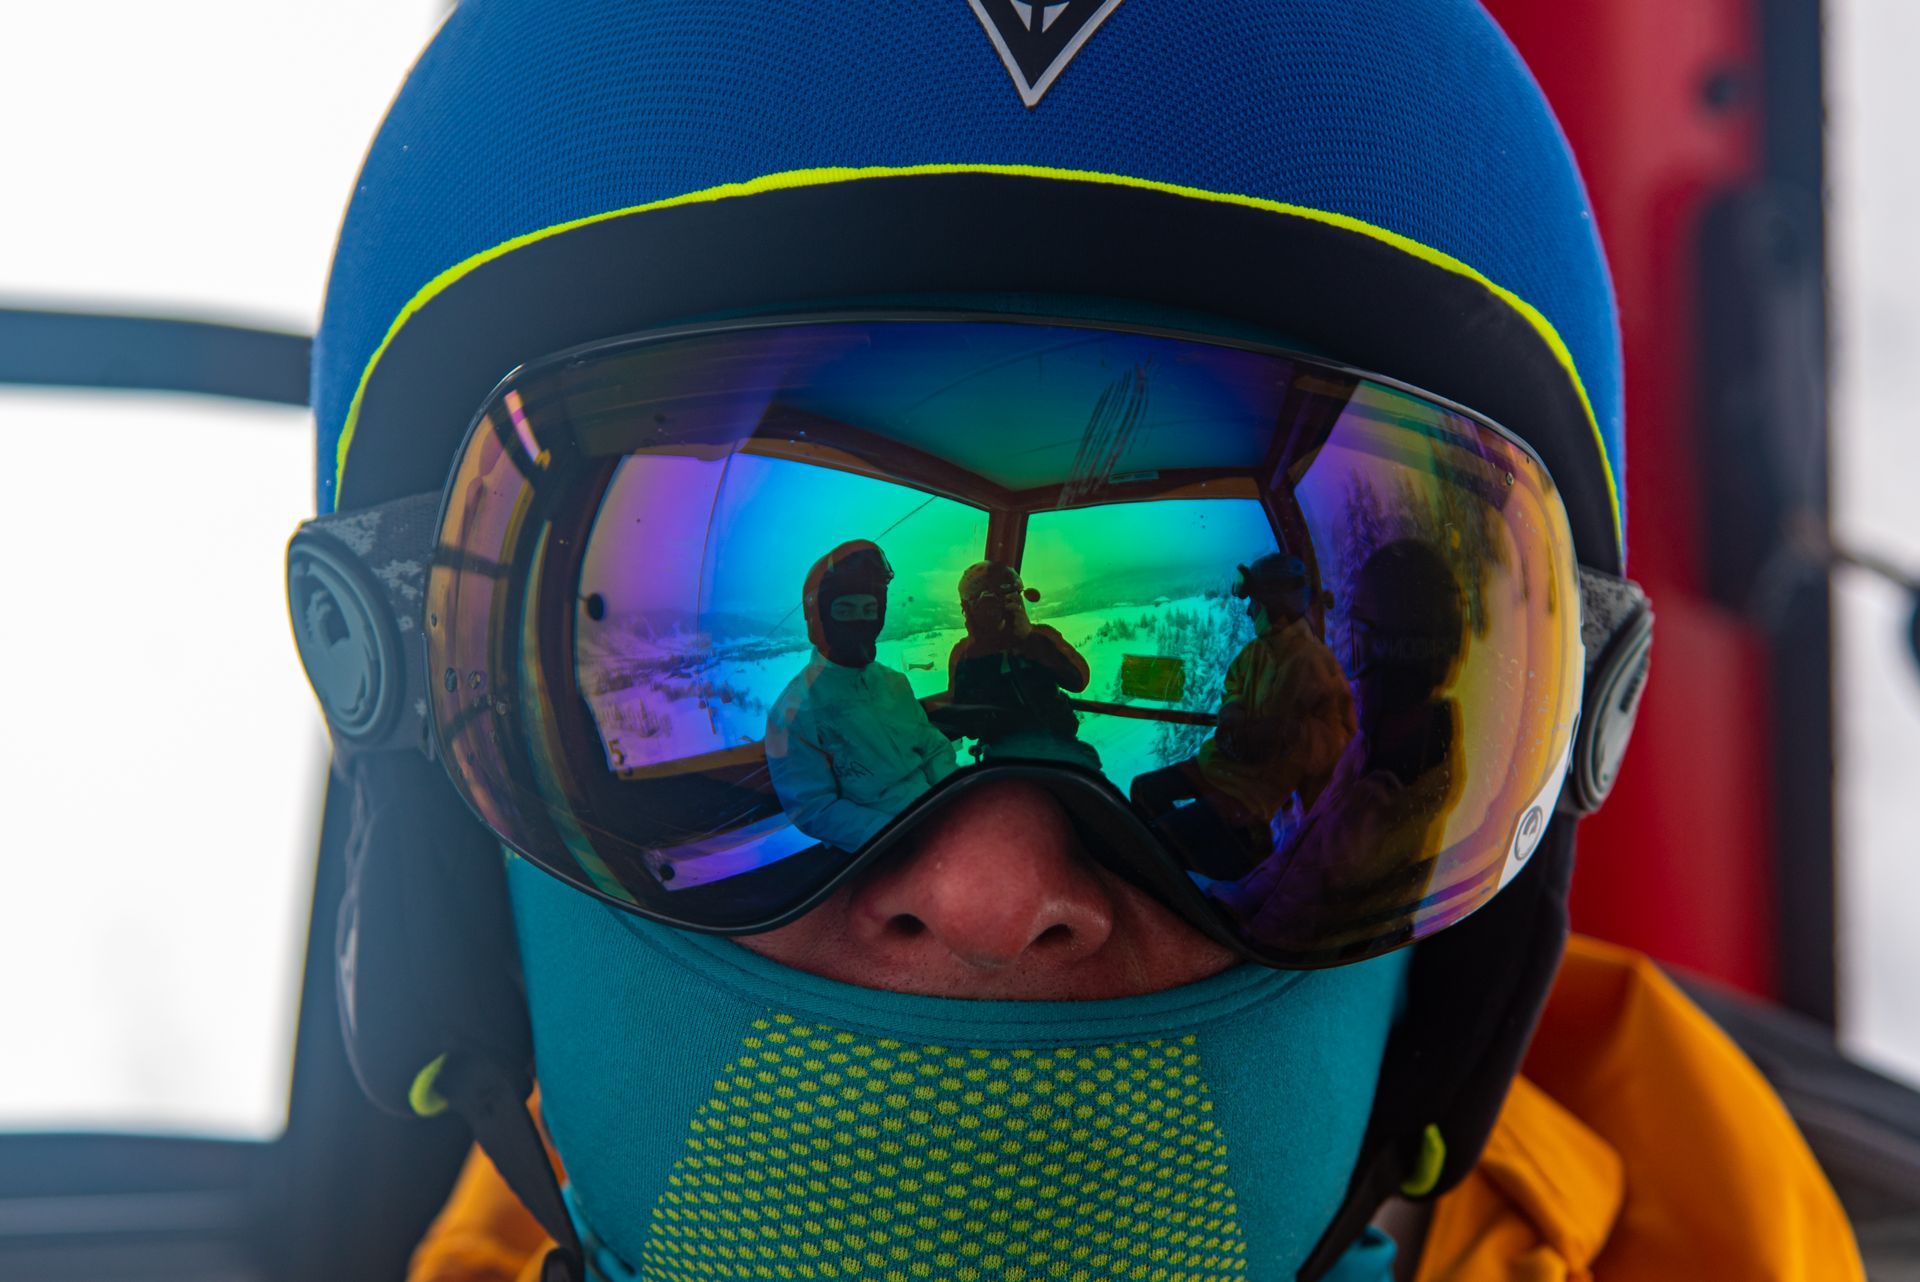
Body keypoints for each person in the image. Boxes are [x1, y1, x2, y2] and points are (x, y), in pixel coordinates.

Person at [284, 1, 1866, 1279]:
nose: (995, 896)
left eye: (1292, 582)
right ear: (423, 732)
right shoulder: (833, 720)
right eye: (772, 614)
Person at [1131, 553, 1355, 879]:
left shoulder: (1316, 665)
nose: (1250, 612)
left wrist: (1288, 735)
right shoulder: (1257, 651)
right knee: (1143, 791)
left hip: (1253, 796)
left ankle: (1231, 860)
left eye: (1256, 604)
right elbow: (1234, 684)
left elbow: (1341, 742)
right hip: (1219, 767)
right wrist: (1232, 713)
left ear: (1275, 606)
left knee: (1159, 841)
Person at [766, 541, 961, 851]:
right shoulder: (794, 711)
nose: (860, 622)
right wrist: (897, 836)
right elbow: (814, 808)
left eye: (869, 610)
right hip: (877, 848)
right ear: (820, 618)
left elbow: (933, 747)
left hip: (939, 818)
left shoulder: (894, 683)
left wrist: (952, 802)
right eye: (845, 610)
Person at [944, 560, 1099, 767]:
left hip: (1061, 747)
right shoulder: (965, 654)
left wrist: (1030, 640)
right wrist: (983, 653)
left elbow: (1079, 679)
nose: (997, 610)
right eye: (989, 604)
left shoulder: (1041, 636)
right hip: (1003, 757)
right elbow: (966, 720)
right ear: (970, 610)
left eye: (1008, 600)